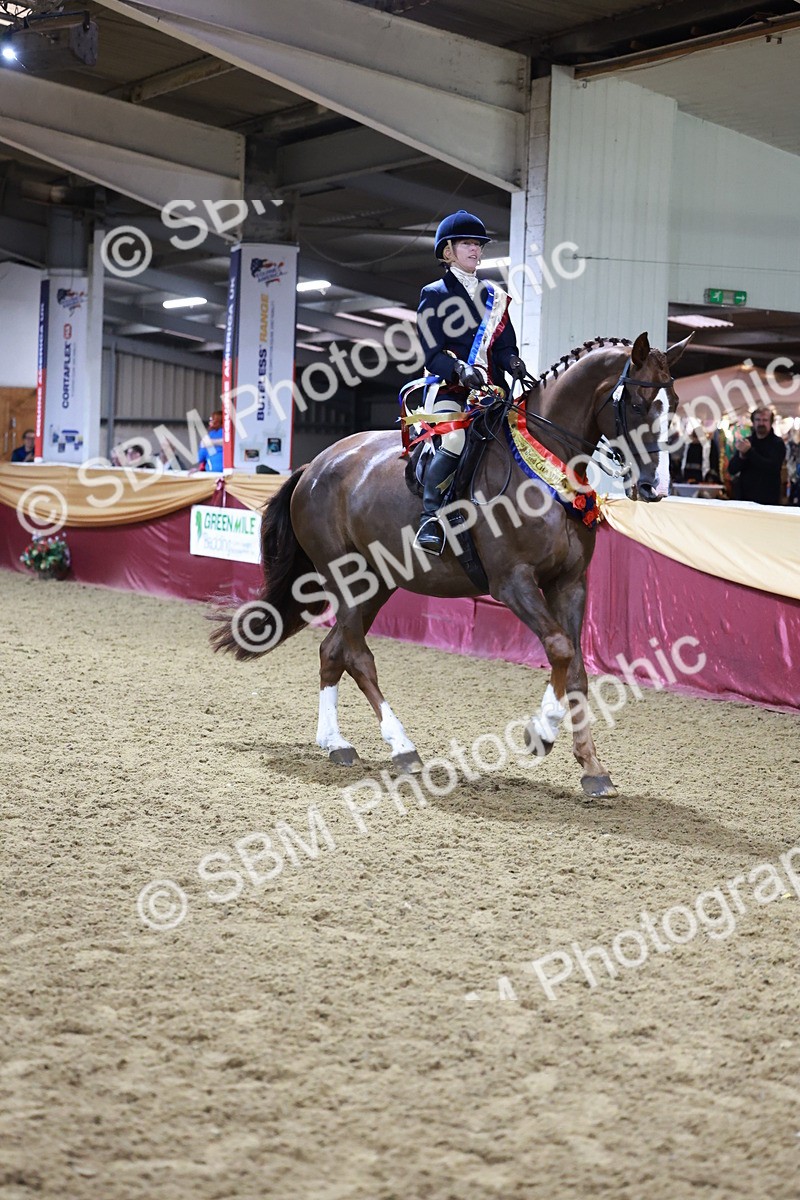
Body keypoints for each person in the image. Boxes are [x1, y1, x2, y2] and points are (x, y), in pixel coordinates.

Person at [414, 210, 524, 554]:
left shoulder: (496, 298)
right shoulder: (434, 293)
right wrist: (460, 371)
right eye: (467, 244)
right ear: (448, 251)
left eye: (478, 245)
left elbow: (505, 346)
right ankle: (431, 516)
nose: (475, 250)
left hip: (492, 390)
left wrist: (513, 362)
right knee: (455, 441)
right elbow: (432, 353)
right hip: (450, 388)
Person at [728, 406, 785, 505]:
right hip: (745, 499)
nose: (761, 423)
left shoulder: (777, 443)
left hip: (768, 500)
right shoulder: (747, 441)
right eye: (758, 420)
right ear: (753, 422)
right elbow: (732, 469)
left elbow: (772, 467)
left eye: (765, 420)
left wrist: (749, 452)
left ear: (770, 422)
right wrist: (741, 455)